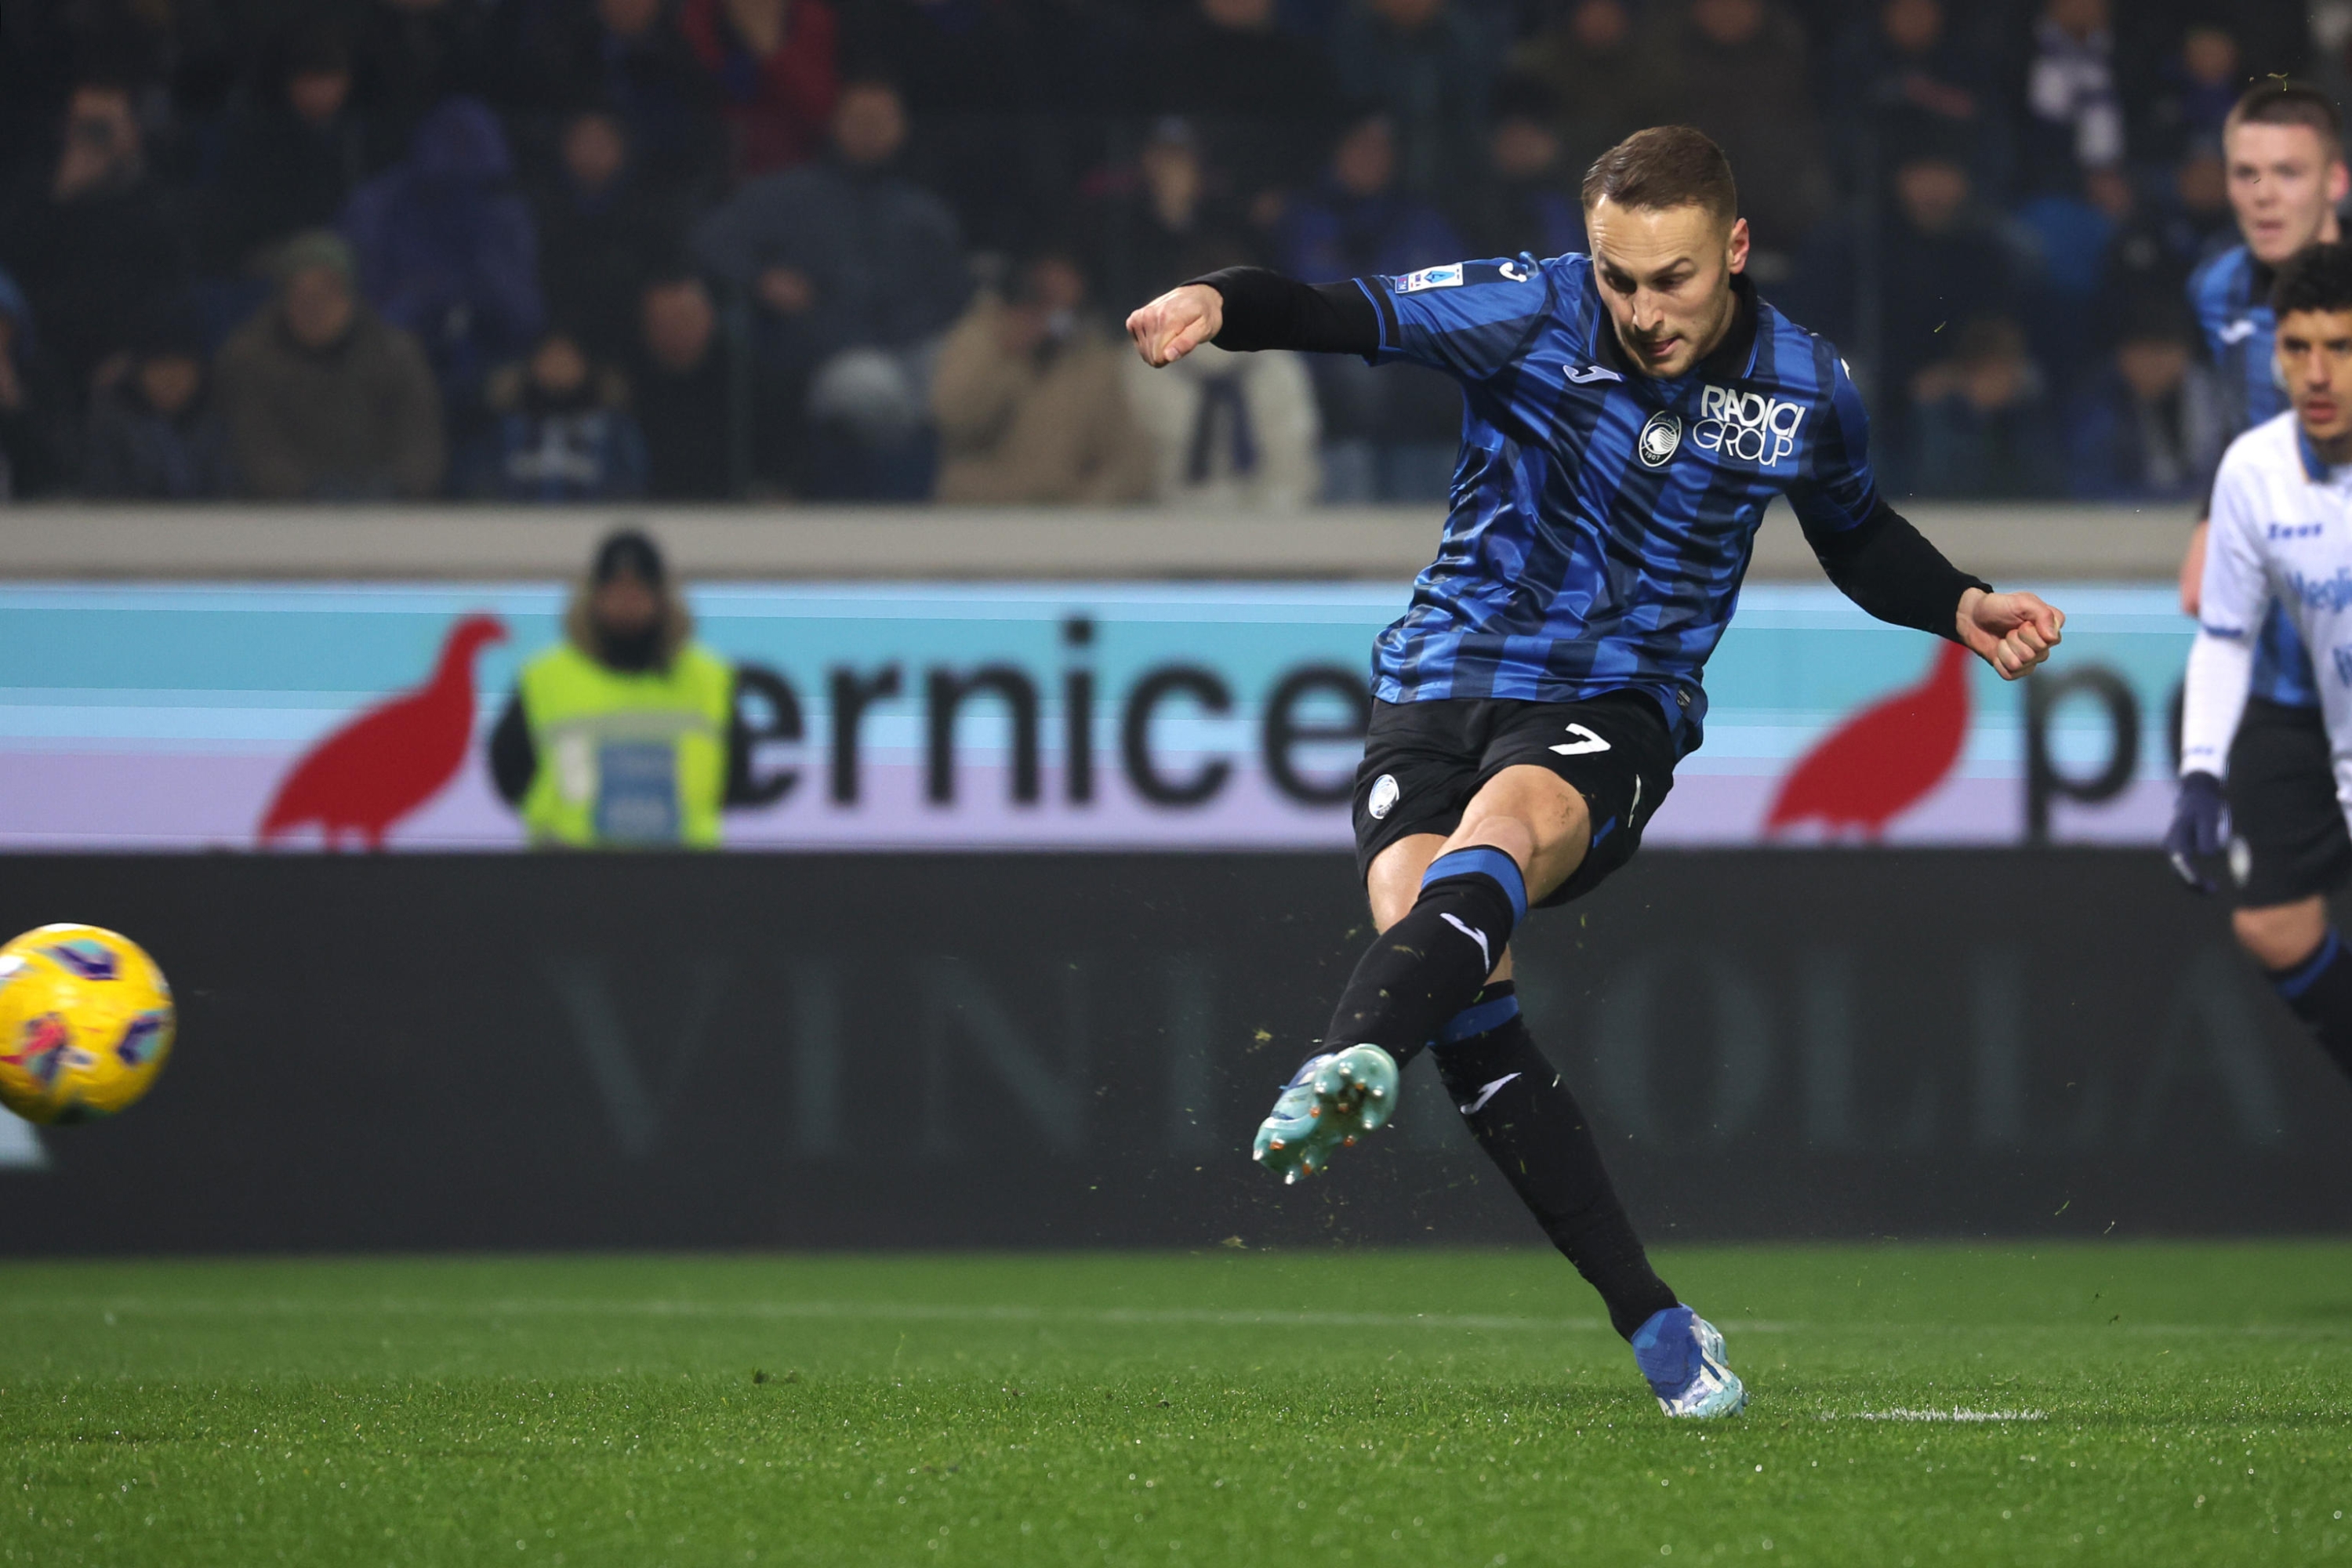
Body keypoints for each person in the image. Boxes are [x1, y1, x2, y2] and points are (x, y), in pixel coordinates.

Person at [1125, 125, 2062, 1418]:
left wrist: (1955, 602)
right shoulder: (1529, 308)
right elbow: (1341, 314)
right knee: (1449, 967)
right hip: (1435, 686)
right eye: (1620, 278)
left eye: (1672, 278)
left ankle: (1346, 1057)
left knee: (1495, 843)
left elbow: (1855, 535)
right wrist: (1219, 300)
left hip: (1613, 704)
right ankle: (1660, 1328)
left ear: (1733, 249)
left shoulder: (1803, 383)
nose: (1644, 311)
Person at [2174, 85, 2350, 1015]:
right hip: (2289, 675)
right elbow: (2247, 426)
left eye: (2289, 172)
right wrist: (2214, 516)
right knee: (2273, 922)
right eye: (2247, 173)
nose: (2265, 194)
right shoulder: (2217, 289)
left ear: (2336, 180)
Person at [488, 528, 757, 848]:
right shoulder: (544, 679)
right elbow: (508, 771)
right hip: (570, 876)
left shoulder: (711, 680)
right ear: (594, 598)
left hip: (681, 878)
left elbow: (737, 776)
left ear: (662, 599)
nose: (627, 603)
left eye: (638, 591)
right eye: (616, 591)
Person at [213, 230, 446, 500]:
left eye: (327, 292)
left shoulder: (396, 355)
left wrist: (395, 489)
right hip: (283, 522)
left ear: (350, 295)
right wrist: (307, 494)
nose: (315, 306)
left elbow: (421, 444)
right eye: (302, 294)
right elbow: (255, 448)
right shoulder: (249, 359)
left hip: (387, 518)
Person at [929, 251, 1153, 505]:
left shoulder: (1092, 361)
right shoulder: (979, 338)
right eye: (1046, 300)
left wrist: (1092, 504)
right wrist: (1006, 357)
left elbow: (1127, 456)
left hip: (1062, 518)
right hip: (981, 511)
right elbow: (955, 419)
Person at [462, 327, 649, 501]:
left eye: (567, 358)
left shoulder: (613, 429)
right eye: (549, 358)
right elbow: (480, 481)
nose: (558, 367)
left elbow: (631, 484)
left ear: (585, 365)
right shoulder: (506, 428)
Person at [82, 310, 235, 499]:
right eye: (160, 368)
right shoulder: (112, 424)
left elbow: (228, 492)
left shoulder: (217, 421)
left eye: (181, 367)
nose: (171, 379)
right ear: (139, 372)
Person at [628, 270, 738, 499]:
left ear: (710, 318)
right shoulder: (625, 391)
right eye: (663, 322)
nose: (675, 330)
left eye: (684, 318)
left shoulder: (743, 385)